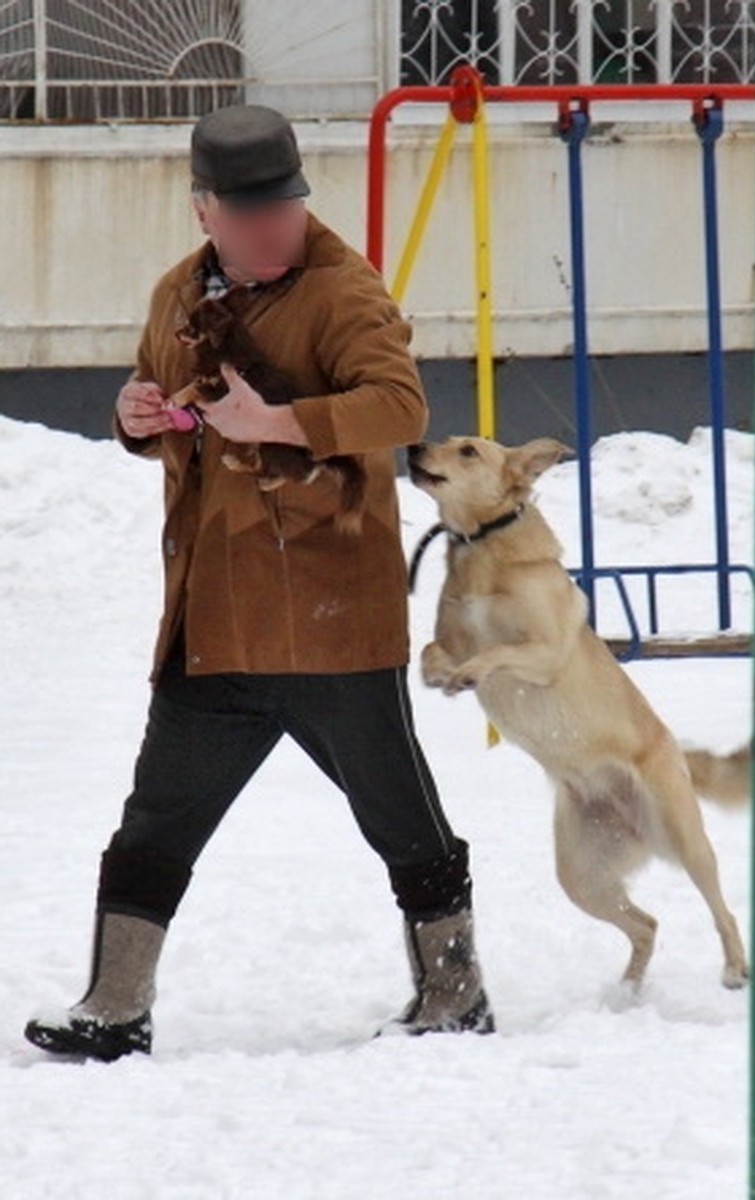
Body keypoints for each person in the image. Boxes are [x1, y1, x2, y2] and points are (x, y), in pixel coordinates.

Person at [24, 105, 493, 1061]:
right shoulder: (174, 294)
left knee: (400, 814)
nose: (274, 227)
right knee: (157, 816)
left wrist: (278, 423)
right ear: (206, 212)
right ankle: (116, 1008)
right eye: (251, 214)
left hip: (328, 616)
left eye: (284, 206)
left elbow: (400, 405)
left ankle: (456, 993)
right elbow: (161, 409)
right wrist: (136, 414)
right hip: (218, 615)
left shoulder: (342, 292)